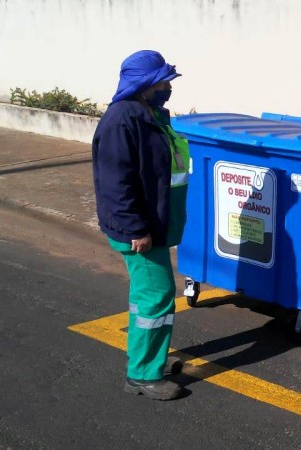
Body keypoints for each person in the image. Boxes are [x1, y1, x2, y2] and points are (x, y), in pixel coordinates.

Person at [92, 50, 190, 401]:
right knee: (156, 297)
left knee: (146, 299)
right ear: (147, 84)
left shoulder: (148, 114)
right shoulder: (123, 119)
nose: (168, 87)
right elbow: (117, 182)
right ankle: (143, 375)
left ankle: (146, 361)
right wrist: (136, 229)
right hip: (139, 230)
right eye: (164, 81)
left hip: (153, 224)